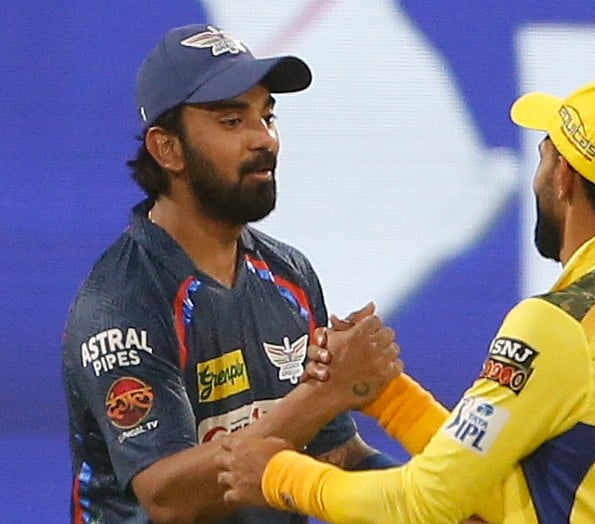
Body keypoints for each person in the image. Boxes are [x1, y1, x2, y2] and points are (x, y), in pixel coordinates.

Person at [216, 76, 595, 523]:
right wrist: (390, 397)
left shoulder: (562, 323)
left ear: (565, 177)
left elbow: (427, 503)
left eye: (545, 157)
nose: (539, 176)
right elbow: (506, 494)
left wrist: (279, 475)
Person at [61, 23, 403, 523]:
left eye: (267, 116)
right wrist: (327, 393)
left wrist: (436, 500)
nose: (263, 140)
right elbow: (168, 497)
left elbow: (335, 455)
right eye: (230, 121)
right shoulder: (121, 302)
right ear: (167, 149)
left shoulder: (290, 274)